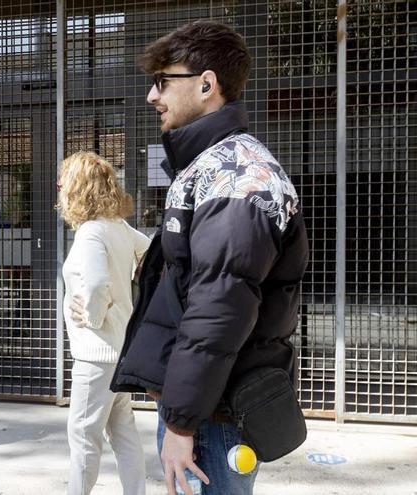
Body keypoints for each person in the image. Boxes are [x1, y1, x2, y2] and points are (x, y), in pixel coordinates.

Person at [84, 21, 308, 495]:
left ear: (206, 85)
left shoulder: (238, 180)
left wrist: (183, 423)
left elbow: (218, 313)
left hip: (214, 415)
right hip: (205, 404)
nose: (152, 96)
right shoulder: (215, 167)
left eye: (163, 81)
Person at [58, 151, 150, 495]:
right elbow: (153, 250)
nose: (59, 187)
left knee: (83, 436)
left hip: (95, 357)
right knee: (123, 434)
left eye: (63, 181)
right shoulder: (118, 227)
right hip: (120, 352)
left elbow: (96, 283)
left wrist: (95, 318)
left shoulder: (91, 233)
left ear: (78, 188)